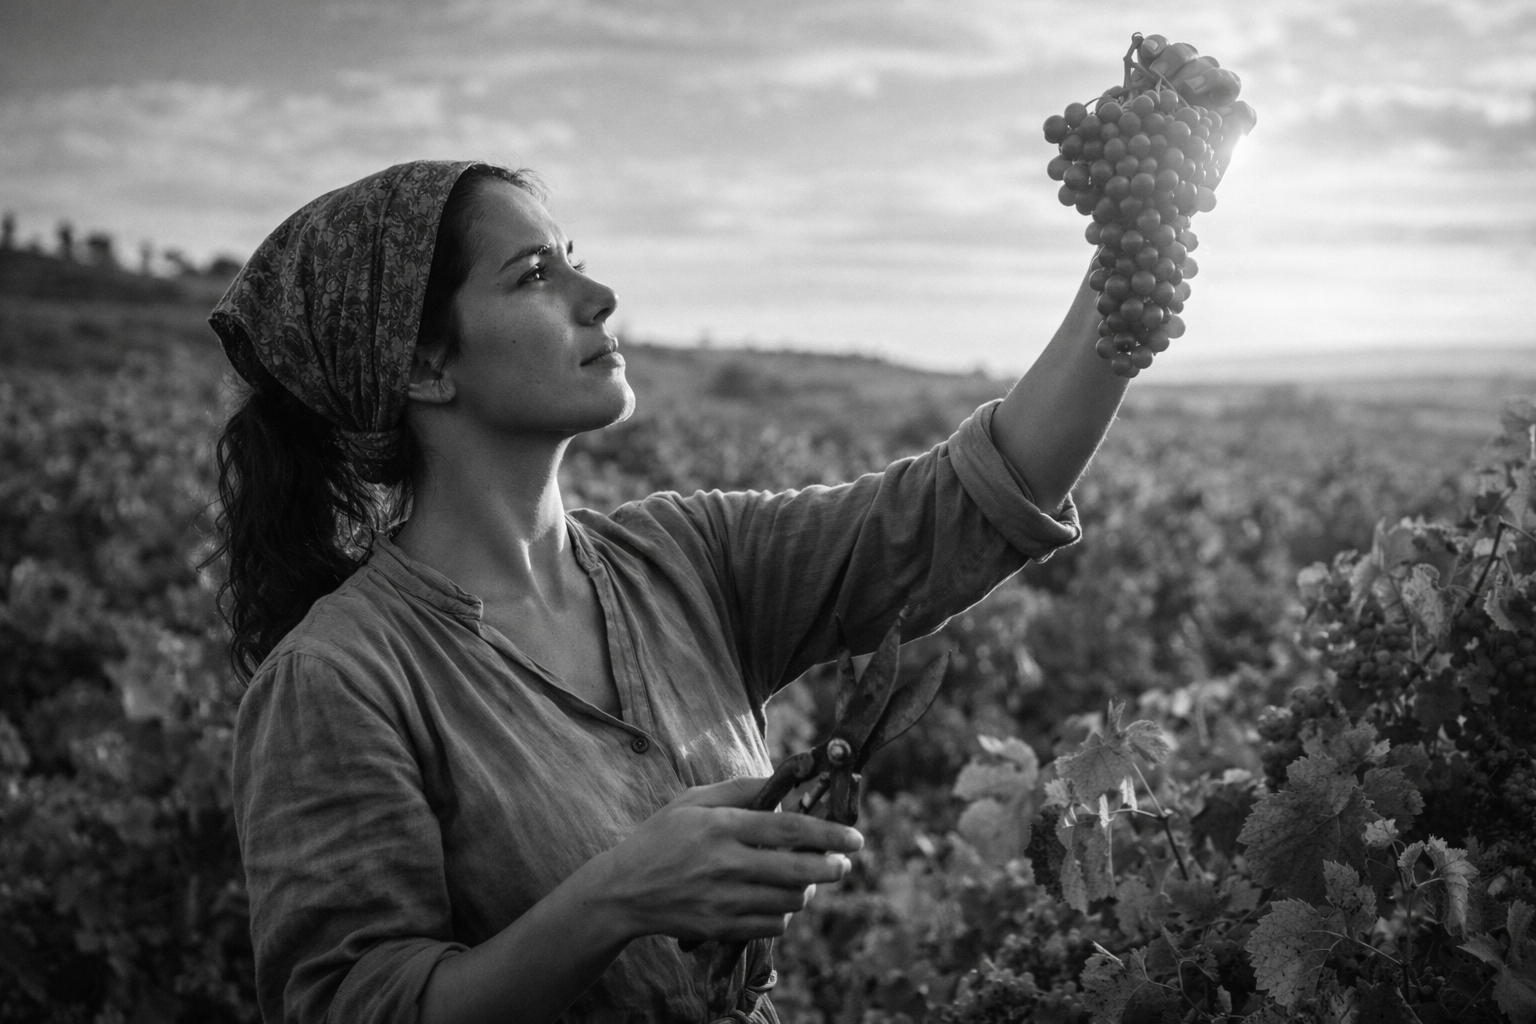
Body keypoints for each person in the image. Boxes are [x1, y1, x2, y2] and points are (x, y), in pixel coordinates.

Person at [212, 36, 1245, 1024]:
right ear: (423, 365)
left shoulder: (685, 557)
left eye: (575, 258)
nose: (601, 295)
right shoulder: (337, 679)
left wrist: (1136, 236)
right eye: (534, 276)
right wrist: (614, 898)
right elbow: (350, 1005)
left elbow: (964, 503)